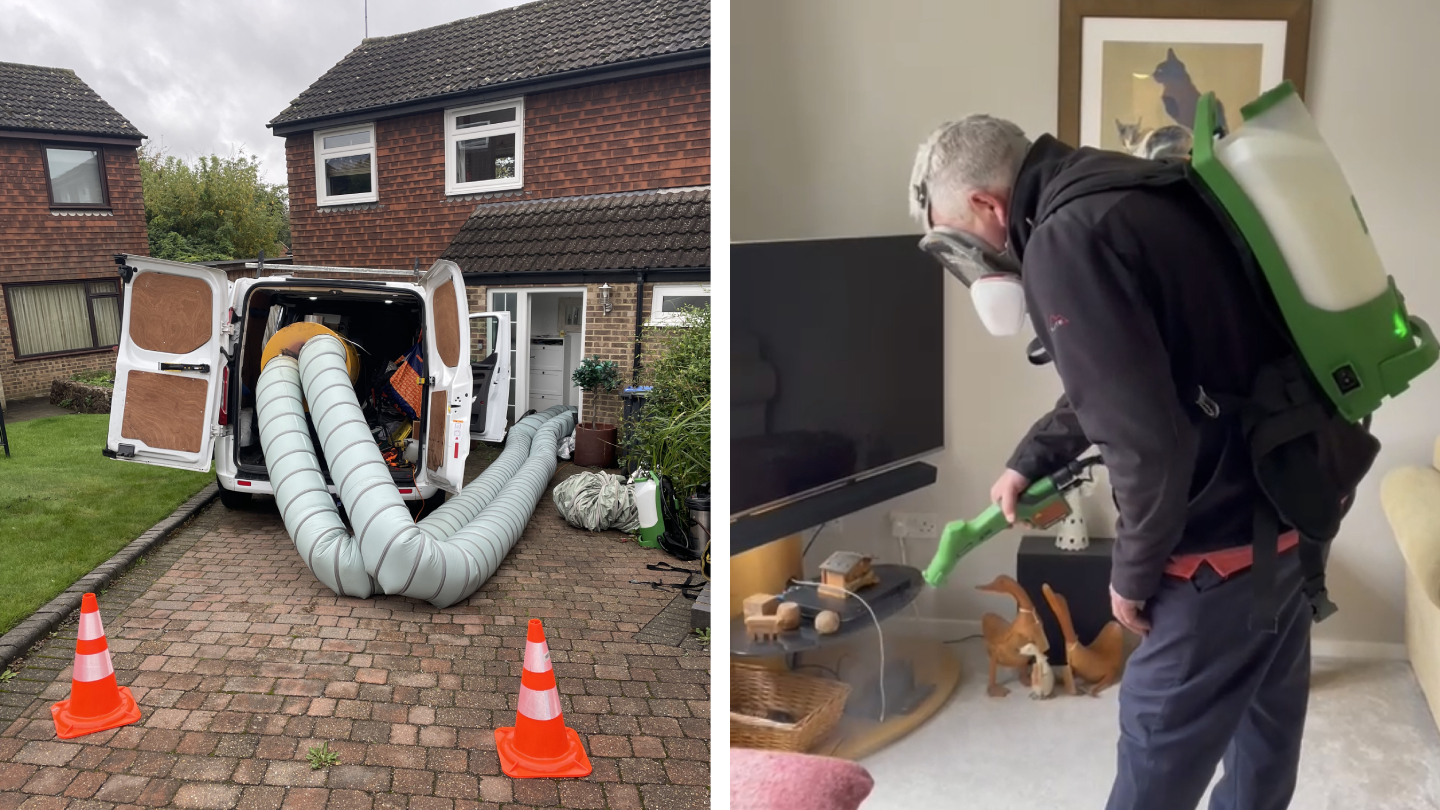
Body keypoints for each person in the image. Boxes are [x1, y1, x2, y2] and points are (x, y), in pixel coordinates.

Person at [908, 115, 1314, 810]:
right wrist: (1031, 458)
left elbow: (1144, 440)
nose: (970, 261)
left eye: (958, 239)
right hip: (1286, 522)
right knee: (1261, 760)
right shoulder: (1137, 190)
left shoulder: (1066, 240)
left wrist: (1130, 576)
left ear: (986, 207)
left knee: (1153, 770)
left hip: (1211, 562)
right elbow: (1136, 377)